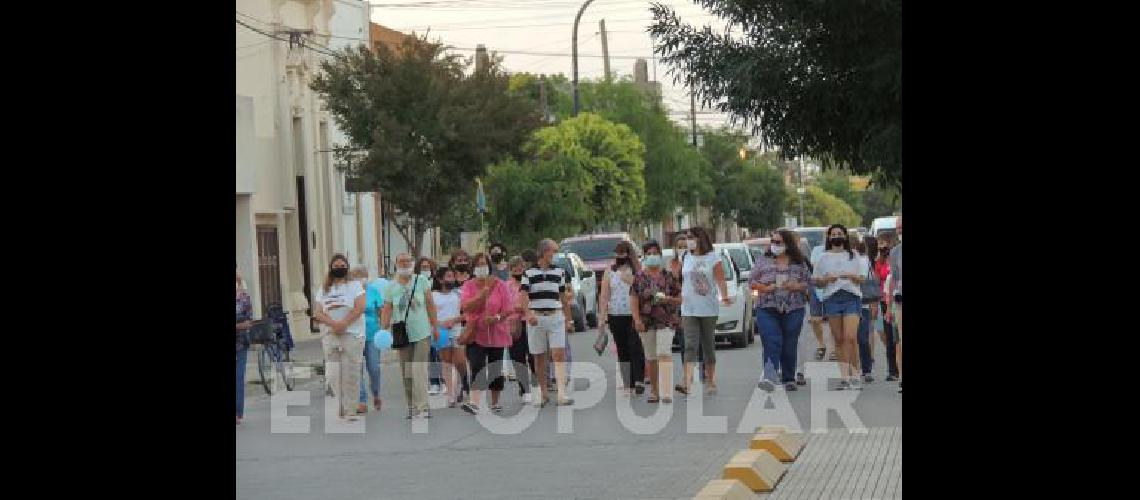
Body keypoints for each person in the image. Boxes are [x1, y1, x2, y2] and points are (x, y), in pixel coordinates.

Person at [750, 230, 813, 392]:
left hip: (793, 307)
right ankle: (770, 376)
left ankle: (788, 378)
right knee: (772, 339)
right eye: (773, 242)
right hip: (767, 306)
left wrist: (796, 286)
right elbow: (752, 282)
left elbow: (808, 283)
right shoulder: (763, 261)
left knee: (790, 342)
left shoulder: (799, 263)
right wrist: (765, 287)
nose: (775, 245)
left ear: (788, 244)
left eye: (779, 242)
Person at [381, 252, 440, 419]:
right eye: (401, 261)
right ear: (396, 264)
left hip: (421, 332)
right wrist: (383, 328)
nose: (405, 264)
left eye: (408, 261)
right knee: (407, 371)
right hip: (402, 334)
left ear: (413, 263)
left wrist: (435, 326)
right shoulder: (391, 286)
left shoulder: (421, 281)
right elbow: (387, 308)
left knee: (418, 368)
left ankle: (423, 406)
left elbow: (430, 305)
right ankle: (412, 406)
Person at [312, 254, 368, 422]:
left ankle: (350, 409)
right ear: (331, 268)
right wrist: (333, 324)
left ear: (347, 267)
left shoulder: (355, 285)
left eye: (342, 265)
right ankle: (341, 403)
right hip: (331, 335)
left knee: (351, 373)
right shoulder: (323, 289)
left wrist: (344, 323)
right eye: (335, 265)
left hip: (352, 334)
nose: (339, 268)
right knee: (333, 373)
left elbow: (360, 307)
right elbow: (317, 312)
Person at [458, 253, 516, 414]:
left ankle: (495, 401)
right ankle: (474, 402)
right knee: (477, 365)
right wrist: (481, 296)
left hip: (497, 333)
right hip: (475, 332)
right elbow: (465, 307)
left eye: (484, 264)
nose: (481, 268)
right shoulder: (468, 285)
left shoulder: (500, 284)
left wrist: (497, 318)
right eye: (478, 265)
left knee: (495, 368)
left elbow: (508, 308)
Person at [520, 238, 575, 407]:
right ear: (544, 252)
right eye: (554, 251)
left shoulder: (559, 272)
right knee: (539, 356)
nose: (555, 255)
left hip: (555, 316)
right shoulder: (528, 273)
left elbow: (563, 297)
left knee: (558, 353)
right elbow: (524, 295)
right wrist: (528, 313)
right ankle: (543, 392)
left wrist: (569, 319)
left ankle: (561, 393)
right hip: (536, 317)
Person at [678, 227, 732, 396]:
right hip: (688, 308)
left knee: (708, 345)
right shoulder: (685, 257)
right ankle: (687, 381)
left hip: (708, 307)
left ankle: (710, 380)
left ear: (700, 238)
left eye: (691, 237)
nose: (688, 241)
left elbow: (720, 280)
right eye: (686, 238)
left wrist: (725, 296)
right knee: (690, 345)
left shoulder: (713, 258)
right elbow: (682, 280)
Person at [812, 225, 865, 390]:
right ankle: (844, 377)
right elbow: (816, 281)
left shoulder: (854, 255)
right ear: (829, 238)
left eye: (839, 233)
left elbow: (862, 279)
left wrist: (850, 276)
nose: (836, 236)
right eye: (833, 234)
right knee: (839, 338)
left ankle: (856, 374)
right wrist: (827, 279)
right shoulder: (823, 258)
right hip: (832, 299)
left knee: (850, 337)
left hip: (851, 297)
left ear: (845, 237)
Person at [630, 240, 681, 403]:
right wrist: (636, 319)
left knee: (664, 352)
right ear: (644, 257)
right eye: (649, 254)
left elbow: (680, 298)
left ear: (660, 255)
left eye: (655, 253)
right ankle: (654, 390)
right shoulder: (639, 277)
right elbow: (633, 299)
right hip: (646, 322)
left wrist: (669, 299)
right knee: (651, 357)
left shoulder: (669, 276)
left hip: (666, 320)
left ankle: (666, 390)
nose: (652, 256)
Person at [599, 240, 646, 396]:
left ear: (629, 254)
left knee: (635, 346)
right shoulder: (610, 271)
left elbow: (644, 288)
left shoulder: (637, 270)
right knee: (622, 349)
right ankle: (628, 383)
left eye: (623, 254)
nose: (619, 257)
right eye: (617, 254)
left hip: (634, 314)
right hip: (615, 315)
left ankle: (639, 379)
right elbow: (604, 295)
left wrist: (631, 279)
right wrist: (602, 318)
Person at [505, 256, 537, 403]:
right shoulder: (506, 286)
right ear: (510, 270)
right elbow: (503, 305)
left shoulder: (530, 283)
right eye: (515, 268)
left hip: (529, 322)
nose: (518, 270)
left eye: (521, 267)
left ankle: (537, 384)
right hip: (513, 325)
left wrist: (524, 308)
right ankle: (524, 389)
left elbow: (535, 301)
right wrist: (516, 308)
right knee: (517, 357)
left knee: (532, 355)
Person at [353, 267, 384, 414]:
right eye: (357, 276)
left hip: (372, 334)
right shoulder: (350, 292)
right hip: (355, 335)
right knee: (356, 369)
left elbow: (381, 311)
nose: (360, 279)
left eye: (363, 276)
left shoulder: (373, 291)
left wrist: (383, 328)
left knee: (374, 368)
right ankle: (361, 400)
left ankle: (376, 393)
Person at [431, 267, 463, 408]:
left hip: (456, 330)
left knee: (459, 361)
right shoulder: (433, 295)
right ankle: (451, 394)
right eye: (448, 276)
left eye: (452, 276)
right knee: (446, 362)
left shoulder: (459, 293)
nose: (451, 279)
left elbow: (466, 313)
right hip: (441, 331)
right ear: (440, 279)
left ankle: (461, 386)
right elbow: (429, 315)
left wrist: (454, 321)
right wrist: (440, 324)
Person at [416, 257, 445, 396]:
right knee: (430, 354)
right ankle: (434, 382)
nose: (425, 270)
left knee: (440, 352)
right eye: (422, 267)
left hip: (438, 321)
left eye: (427, 267)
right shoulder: (415, 283)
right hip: (422, 322)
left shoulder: (437, 283)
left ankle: (444, 381)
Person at [874, 233, 899, 382]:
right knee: (889, 336)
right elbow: (877, 279)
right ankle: (892, 370)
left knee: (898, 337)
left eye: (885, 243)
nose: (883, 246)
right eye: (880, 243)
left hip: (897, 300)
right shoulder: (880, 261)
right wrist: (880, 258)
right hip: (885, 301)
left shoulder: (897, 257)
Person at [852, 237, 876, 383]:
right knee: (849, 338)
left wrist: (873, 303)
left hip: (863, 303)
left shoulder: (864, 260)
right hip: (848, 303)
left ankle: (866, 370)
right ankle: (852, 369)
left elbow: (869, 281)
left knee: (862, 337)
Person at [236, 266, 253, 425]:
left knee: (238, 377)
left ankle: (238, 413)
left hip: (240, 343)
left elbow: (248, 322)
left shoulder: (244, 298)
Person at [889, 216, 903, 394]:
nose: (899, 230)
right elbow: (894, 279)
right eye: (898, 228)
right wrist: (891, 304)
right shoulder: (895, 252)